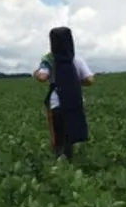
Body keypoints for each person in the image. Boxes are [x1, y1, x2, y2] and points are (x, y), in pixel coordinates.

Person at [34, 27, 95, 160]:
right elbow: (90, 80)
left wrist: (36, 72)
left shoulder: (49, 60)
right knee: (72, 132)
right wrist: (74, 82)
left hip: (57, 102)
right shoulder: (77, 59)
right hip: (75, 100)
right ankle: (70, 159)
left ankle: (61, 161)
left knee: (58, 135)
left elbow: (42, 77)